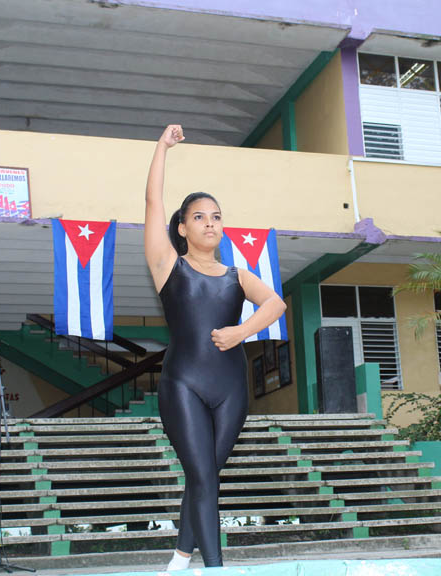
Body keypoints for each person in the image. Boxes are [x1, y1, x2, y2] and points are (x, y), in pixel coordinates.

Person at [144, 124, 286, 569]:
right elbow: (152, 203)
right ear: (183, 228)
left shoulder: (236, 275)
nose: (210, 223)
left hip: (231, 388)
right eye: (200, 217)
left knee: (205, 476)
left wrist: (241, 332)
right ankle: (215, 567)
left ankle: (181, 554)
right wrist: (162, 148)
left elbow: (276, 303)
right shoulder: (169, 264)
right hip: (183, 382)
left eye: (216, 216)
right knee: (203, 476)